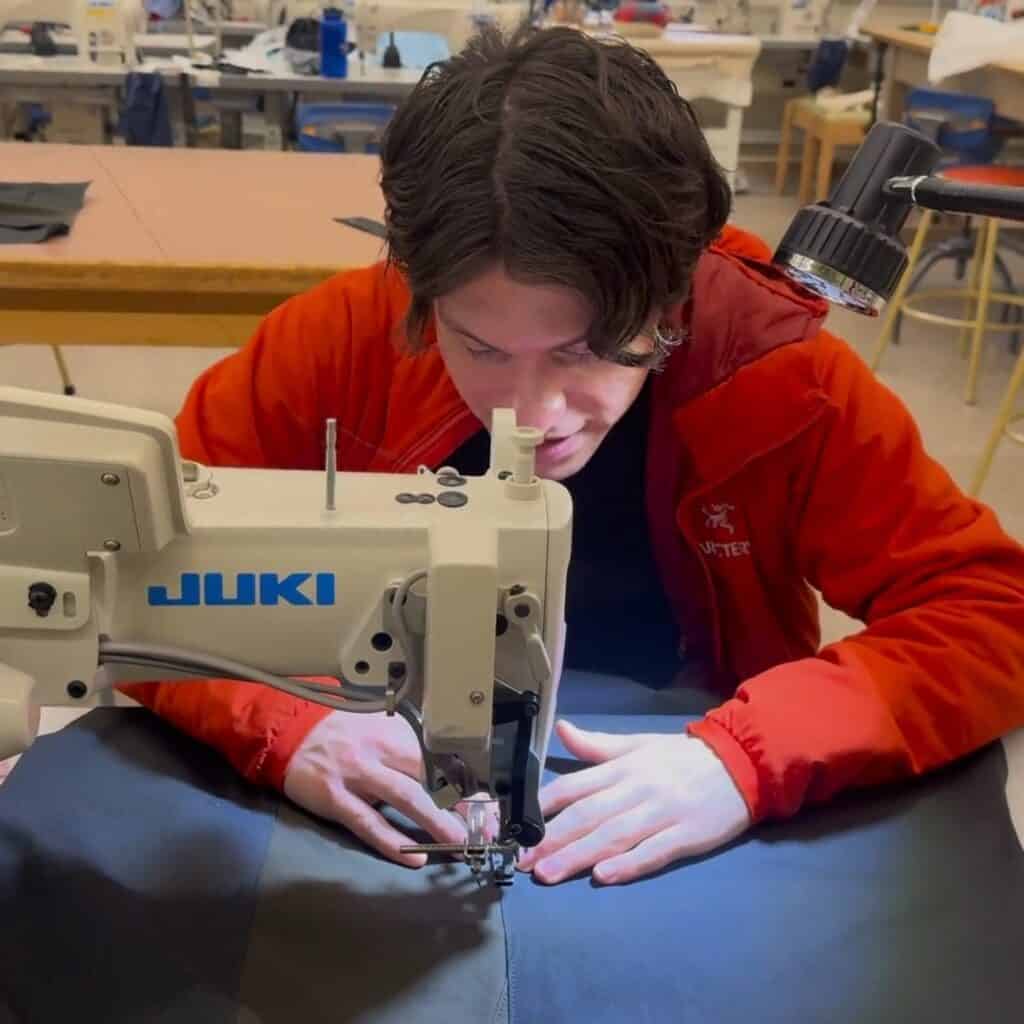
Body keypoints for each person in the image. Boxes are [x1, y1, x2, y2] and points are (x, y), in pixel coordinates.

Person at [122, 24, 1024, 887]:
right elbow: (132, 579)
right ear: (422, 294)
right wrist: (285, 721)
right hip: (383, 747)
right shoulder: (338, 344)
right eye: (478, 347)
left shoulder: (776, 379)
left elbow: (992, 613)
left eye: (584, 349)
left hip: (680, 745)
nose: (533, 414)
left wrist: (746, 758)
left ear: (674, 296)